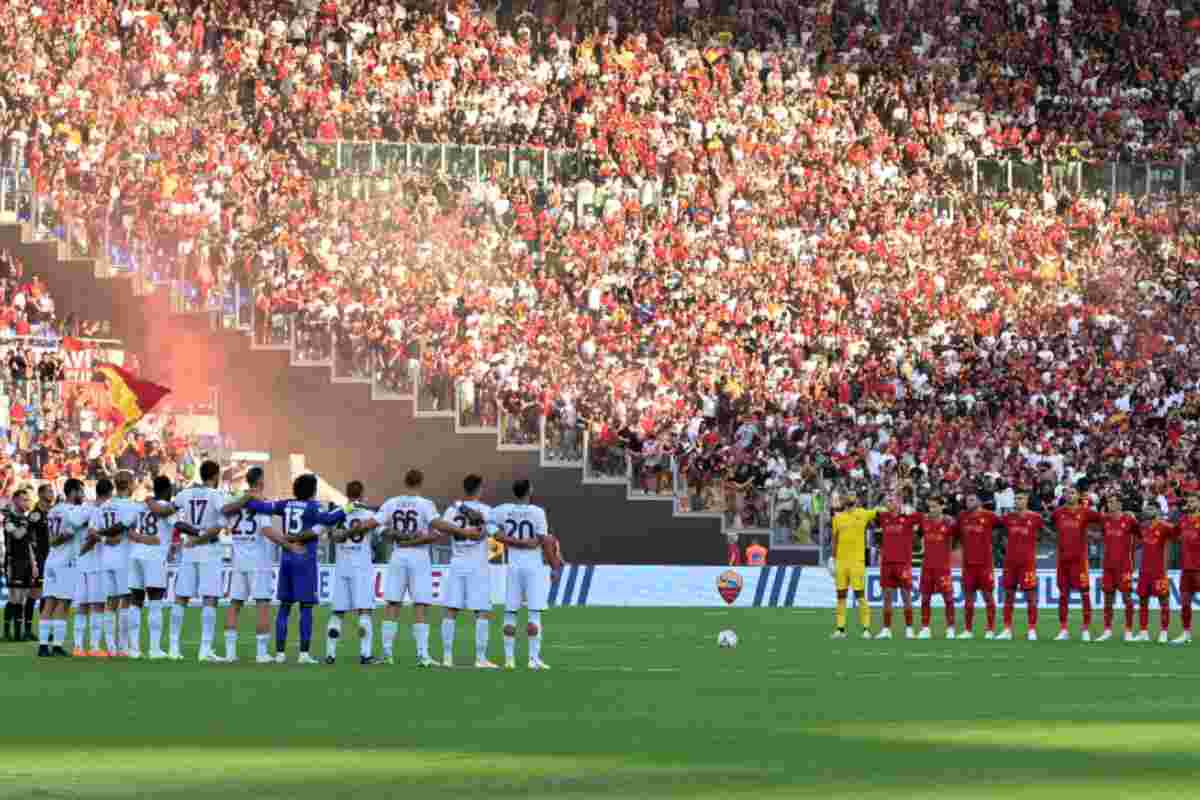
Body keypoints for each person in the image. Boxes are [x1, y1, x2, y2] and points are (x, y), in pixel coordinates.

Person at [231, 473, 347, 664]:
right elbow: (328, 519)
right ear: (313, 491)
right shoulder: (313, 507)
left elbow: (258, 506)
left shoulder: (285, 504)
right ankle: (303, 654)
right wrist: (348, 507)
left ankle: (279, 654)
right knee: (306, 608)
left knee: (284, 607)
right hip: (305, 558)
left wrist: (250, 496)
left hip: (286, 558)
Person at [371, 469, 469, 667]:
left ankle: (387, 655)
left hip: (398, 554)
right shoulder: (426, 504)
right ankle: (423, 656)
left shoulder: (392, 502)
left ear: (405, 482)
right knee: (420, 605)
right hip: (419, 556)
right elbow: (437, 526)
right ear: (421, 482)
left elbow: (378, 527)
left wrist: (395, 535)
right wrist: (459, 530)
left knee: (392, 604)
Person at [222, 467, 299, 664]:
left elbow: (227, 521)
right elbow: (266, 530)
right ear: (260, 482)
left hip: (238, 560)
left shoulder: (236, 502)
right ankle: (261, 653)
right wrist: (288, 545)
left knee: (235, 604)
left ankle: (230, 654)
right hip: (258, 561)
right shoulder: (261, 503)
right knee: (262, 604)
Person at [493, 479, 554, 670]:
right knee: (534, 613)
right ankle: (533, 659)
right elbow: (543, 540)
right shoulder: (537, 512)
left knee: (510, 613)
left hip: (513, 566)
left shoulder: (503, 510)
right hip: (533, 566)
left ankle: (509, 660)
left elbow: (489, 526)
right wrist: (554, 564)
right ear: (529, 491)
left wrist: (510, 540)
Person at [170, 461, 228, 662]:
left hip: (189, 549)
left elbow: (172, 514)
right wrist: (201, 536)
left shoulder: (186, 493)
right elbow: (220, 524)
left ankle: (173, 647)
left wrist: (189, 534)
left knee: (181, 596)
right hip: (209, 550)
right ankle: (205, 650)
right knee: (210, 598)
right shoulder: (215, 495)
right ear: (216, 475)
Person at [440, 474, 497, 668]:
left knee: (451, 610)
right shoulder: (487, 510)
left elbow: (442, 530)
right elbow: (485, 534)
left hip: (457, 562)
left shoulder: (451, 510)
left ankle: (447, 657)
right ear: (479, 489)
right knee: (482, 610)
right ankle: (480, 658)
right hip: (478, 565)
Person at [115, 471, 173, 659]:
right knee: (155, 602)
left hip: (135, 554)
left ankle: (134, 649)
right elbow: (179, 525)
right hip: (154, 556)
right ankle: (155, 649)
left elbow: (126, 527)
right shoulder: (166, 506)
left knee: (135, 602)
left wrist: (138, 537)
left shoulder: (140, 506)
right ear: (167, 490)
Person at [325, 481, 379, 666]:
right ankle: (365, 654)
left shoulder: (338, 513)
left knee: (338, 611)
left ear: (346, 494)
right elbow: (381, 533)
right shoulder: (369, 514)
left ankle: (330, 654)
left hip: (342, 566)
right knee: (364, 611)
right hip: (361, 566)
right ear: (362, 493)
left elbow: (330, 535)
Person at [41, 479, 91, 657]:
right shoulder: (72, 511)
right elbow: (76, 524)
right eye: (81, 491)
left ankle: (43, 645)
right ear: (73, 492)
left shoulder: (54, 509)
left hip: (51, 558)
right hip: (66, 561)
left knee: (49, 602)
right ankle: (56, 645)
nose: (83, 496)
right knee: (63, 602)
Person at [1050, 489, 1102, 641]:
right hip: (1063, 560)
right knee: (1063, 595)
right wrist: (1057, 541)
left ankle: (1085, 629)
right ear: (1064, 496)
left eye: (1073, 493)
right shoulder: (1058, 513)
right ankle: (1063, 629)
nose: (1070, 495)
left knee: (1084, 593)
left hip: (1079, 561)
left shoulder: (1086, 512)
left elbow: (1104, 521)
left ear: (1078, 496)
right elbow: (1050, 527)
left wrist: (1096, 535)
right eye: (1067, 493)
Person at [829, 493, 879, 640]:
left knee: (860, 596)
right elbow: (835, 540)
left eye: (852, 498)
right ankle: (840, 629)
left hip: (857, 562)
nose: (850, 500)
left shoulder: (863, 513)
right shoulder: (837, 518)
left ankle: (866, 629)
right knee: (841, 596)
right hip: (841, 562)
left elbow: (879, 512)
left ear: (856, 500)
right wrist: (833, 558)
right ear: (844, 501)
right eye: (848, 498)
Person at [78, 479, 119, 656]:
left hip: (83, 562)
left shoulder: (85, 508)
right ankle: (94, 647)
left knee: (82, 604)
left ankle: (78, 646)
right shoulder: (104, 510)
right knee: (98, 605)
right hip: (98, 562)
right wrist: (107, 540)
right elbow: (93, 535)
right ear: (110, 492)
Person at [955, 493, 1001, 640]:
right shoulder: (962, 517)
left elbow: (1003, 526)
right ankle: (968, 630)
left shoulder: (989, 516)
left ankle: (990, 630)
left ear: (979, 501)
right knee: (968, 599)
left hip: (985, 564)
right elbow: (955, 534)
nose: (969, 502)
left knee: (988, 597)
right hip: (968, 565)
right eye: (967, 500)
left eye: (972, 499)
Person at [997, 492, 1042, 641]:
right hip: (1010, 563)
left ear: (1027, 500)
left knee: (1030, 596)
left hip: (1027, 563)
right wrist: (1004, 547)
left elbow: (1043, 534)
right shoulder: (1008, 518)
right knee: (1008, 596)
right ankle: (1007, 629)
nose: (1018, 501)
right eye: (1016, 498)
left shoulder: (1035, 518)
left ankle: (1032, 629)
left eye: (1021, 498)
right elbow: (1000, 533)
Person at [875, 500, 920, 639]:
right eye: (888, 500)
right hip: (887, 563)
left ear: (899, 504)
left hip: (903, 563)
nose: (889, 503)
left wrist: (911, 510)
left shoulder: (907, 518)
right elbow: (873, 516)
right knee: (887, 597)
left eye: (892, 500)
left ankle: (909, 629)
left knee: (906, 596)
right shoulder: (884, 517)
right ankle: (886, 629)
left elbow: (921, 517)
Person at [1098, 495, 1138, 643]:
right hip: (1108, 566)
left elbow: (1140, 536)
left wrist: (1131, 552)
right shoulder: (1105, 520)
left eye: (1113, 502)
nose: (1110, 504)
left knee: (1127, 598)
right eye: (1108, 502)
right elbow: (1102, 536)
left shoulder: (1129, 520)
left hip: (1124, 566)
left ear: (1120, 504)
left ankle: (1128, 631)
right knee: (1108, 600)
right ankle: (1107, 630)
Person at [916, 498, 958, 640]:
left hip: (943, 567)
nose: (931, 510)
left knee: (948, 598)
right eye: (930, 507)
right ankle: (925, 628)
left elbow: (957, 540)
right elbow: (918, 537)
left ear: (942, 507)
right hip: (927, 566)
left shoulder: (949, 524)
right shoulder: (925, 523)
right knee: (925, 598)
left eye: (934, 507)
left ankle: (951, 628)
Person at [1135, 512, 1176, 644]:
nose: (1144, 522)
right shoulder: (1143, 529)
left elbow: (1176, 531)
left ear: (1155, 516)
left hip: (1159, 572)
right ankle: (1143, 632)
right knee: (1142, 601)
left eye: (1146, 519)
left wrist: (1165, 522)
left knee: (1163, 602)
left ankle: (1164, 632)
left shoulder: (1163, 527)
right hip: (1144, 572)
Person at [3, 489, 37, 641]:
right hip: (13, 561)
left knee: (21, 598)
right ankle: (8, 633)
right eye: (24, 500)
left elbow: (28, 544)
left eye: (28, 500)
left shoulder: (23, 519)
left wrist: (33, 563)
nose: (27, 502)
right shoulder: (9, 520)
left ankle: (18, 633)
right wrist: (26, 523)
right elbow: (17, 535)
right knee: (15, 598)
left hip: (25, 562)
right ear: (15, 500)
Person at [28, 484, 53, 642]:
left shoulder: (52, 513)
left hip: (52, 559)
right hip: (40, 559)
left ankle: (45, 629)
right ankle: (27, 629)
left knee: (48, 594)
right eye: (49, 491)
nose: (52, 494)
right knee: (35, 593)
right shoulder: (35, 515)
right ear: (41, 494)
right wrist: (34, 561)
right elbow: (29, 539)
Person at [1174, 495, 1200, 646]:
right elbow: (1173, 533)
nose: (1190, 504)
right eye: (1189, 502)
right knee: (1185, 603)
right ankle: (1186, 633)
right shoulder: (1182, 521)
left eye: (1193, 501)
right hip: (1186, 569)